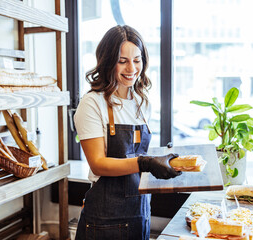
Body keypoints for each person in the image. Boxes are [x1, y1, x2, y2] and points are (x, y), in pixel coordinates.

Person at [74, 25, 181, 240]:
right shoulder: (92, 103)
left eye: (137, 59)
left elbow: (140, 155)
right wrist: (146, 162)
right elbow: (98, 163)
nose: (131, 68)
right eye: (122, 61)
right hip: (105, 220)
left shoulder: (142, 102)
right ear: (107, 60)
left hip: (140, 212)